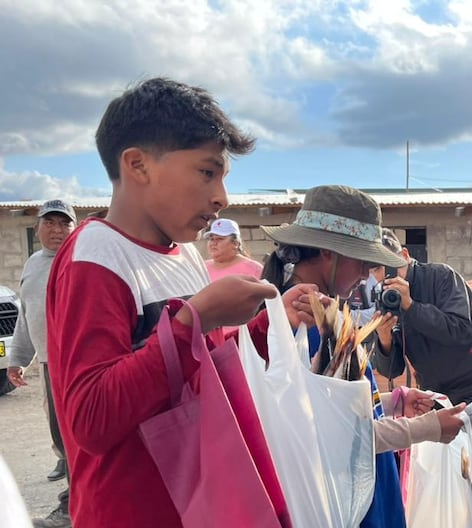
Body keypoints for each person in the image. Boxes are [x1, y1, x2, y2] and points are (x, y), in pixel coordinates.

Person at [46, 77, 315, 528]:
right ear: (137, 164)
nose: (221, 198)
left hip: (197, 502)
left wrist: (268, 328)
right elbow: (90, 419)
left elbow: (198, 370)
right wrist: (196, 317)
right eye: (207, 172)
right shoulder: (96, 255)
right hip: (130, 511)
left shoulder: (184, 254)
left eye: (223, 177)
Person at [261, 184, 467, 528]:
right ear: (329, 253)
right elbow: (334, 436)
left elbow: (342, 407)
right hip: (345, 499)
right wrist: (425, 428)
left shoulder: (327, 314)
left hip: (364, 484)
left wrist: (391, 401)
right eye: (362, 262)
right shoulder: (302, 324)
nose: (364, 275)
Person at [6, 199, 76, 528]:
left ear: (74, 229)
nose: (57, 230)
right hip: (50, 365)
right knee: (60, 437)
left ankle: (72, 507)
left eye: (65, 224)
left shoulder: (80, 260)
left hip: (77, 362)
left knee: (76, 436)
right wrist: (17, 358)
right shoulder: (34, 264)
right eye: (50, 223)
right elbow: (26, 314)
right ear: (38, 229)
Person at [371, 229, 472, 405]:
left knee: (469, 431)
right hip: (437, 394)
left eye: (392, 264)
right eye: (378, 268)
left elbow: (459, 330)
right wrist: (384, 341)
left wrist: (411, 307)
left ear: (405, 255)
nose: (388, 274)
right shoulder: (385, 301)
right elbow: (392, 371)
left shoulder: (441, 276)